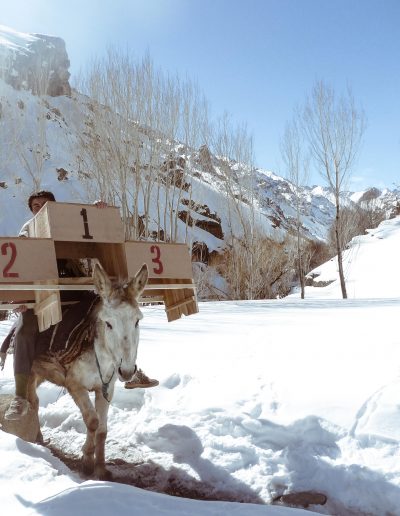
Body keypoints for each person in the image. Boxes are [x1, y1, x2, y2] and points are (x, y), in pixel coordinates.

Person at [2, 191, 158, 421]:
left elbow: (89, 228)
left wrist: (97, 212)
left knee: (112, 314)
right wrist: (20, 299)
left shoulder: (68, 221)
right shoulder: (27, 229)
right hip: (40, 291)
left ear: (53, 206)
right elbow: (19, 265)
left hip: (73, 286)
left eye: (44, 204)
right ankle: (20, 396)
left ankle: (130, 370)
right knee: (25, 329)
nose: (39, 208)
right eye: (35, 205)